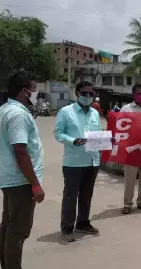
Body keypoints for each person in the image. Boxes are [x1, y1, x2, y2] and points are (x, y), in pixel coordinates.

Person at [0, 70, 45, 269]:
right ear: (24, 91)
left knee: (8, 227)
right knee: (18, 230)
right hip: (21, 181)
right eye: (33, 88)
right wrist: (35, 184)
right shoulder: (17, 114)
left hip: (10, 178)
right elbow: (20, 151)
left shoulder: (5, 110)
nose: (35, 92)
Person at [54, 81, 102, 242]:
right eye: (85, 93)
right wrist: (73, 140)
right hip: (73, 163)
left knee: (86, 196)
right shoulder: (65, 112)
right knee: (70, 196)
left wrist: (107, 140)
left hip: (92, 160)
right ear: (77, 93)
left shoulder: (95, 113)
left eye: (91, 93)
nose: (88, 96)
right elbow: (58, 133)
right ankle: (67, 228)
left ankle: (82, 223)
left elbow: (98, 134)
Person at [120, 84, 141, 214]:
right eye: (139, 93)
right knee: (130, 179)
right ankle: (127, 204)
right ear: (133, 95)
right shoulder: (126, 108)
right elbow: (119, 126)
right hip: (131, 148)